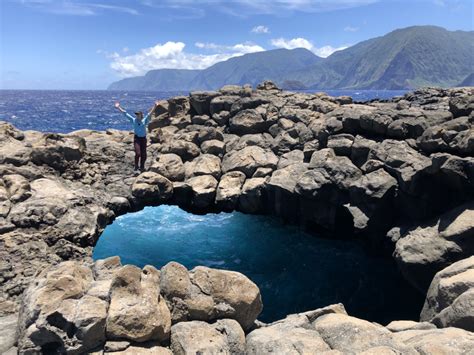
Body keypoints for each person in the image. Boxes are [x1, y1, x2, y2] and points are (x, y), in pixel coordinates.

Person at [114, 101, 159, 173]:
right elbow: (125, 114)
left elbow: (150, 113)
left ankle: (142, 167)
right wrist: (118, 107)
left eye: (138, 115)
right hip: (137, 139)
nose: (137, 116)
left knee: (144, 154)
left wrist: (155, 106)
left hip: (143, 139)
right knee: (138, 153)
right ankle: (136, 166)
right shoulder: (134, 120)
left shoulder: (145, 120)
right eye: (136, 115)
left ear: (141, 115)